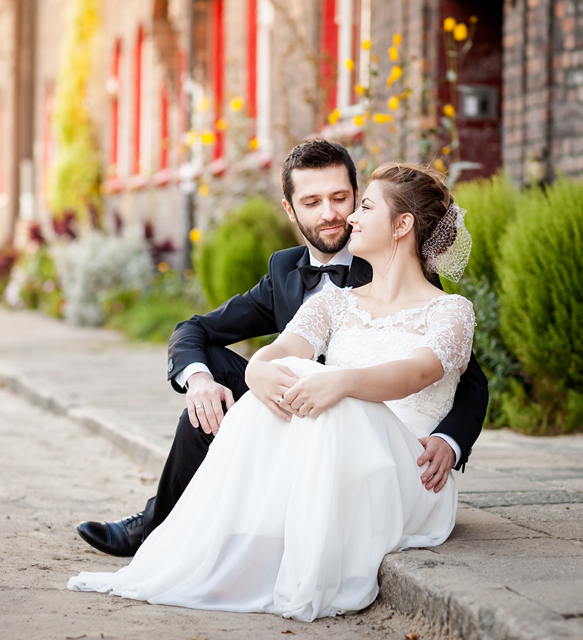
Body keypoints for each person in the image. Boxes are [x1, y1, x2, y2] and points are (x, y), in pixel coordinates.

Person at [67, 161, 478, 621]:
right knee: (286, 379)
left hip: (412, 471)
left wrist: (342, 383)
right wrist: (257, 371)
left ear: (402, 224)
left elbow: (417, 373)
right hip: (336, 443)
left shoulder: (451, 310)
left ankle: (224, 537)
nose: (349, 219)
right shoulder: (333, 302)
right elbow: (281, 348)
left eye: (360, 204)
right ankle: (189, 536)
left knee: (324, 394)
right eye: (315, 202)